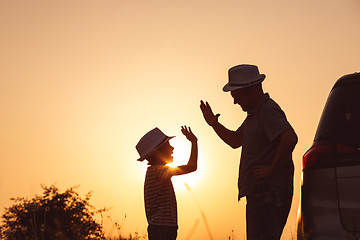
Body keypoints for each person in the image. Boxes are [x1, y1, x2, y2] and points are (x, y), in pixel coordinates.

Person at [200, 64, 298, 240]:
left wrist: (271, 169)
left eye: (237, 96)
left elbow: (290, 138)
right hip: (260, 193)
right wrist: (214, 124)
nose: (235, 102)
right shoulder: (254, 115)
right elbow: (236, 141)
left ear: (251, 89)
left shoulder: (267, 110)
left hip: (268, 193)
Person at [136, 126, 198, 240]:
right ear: (158, 152)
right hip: (162, 228)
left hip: (162, 227)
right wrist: (194, 142)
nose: (172, 148)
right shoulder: (158, 171)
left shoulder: (155, 171)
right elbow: (192, 167)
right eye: (168, 146)